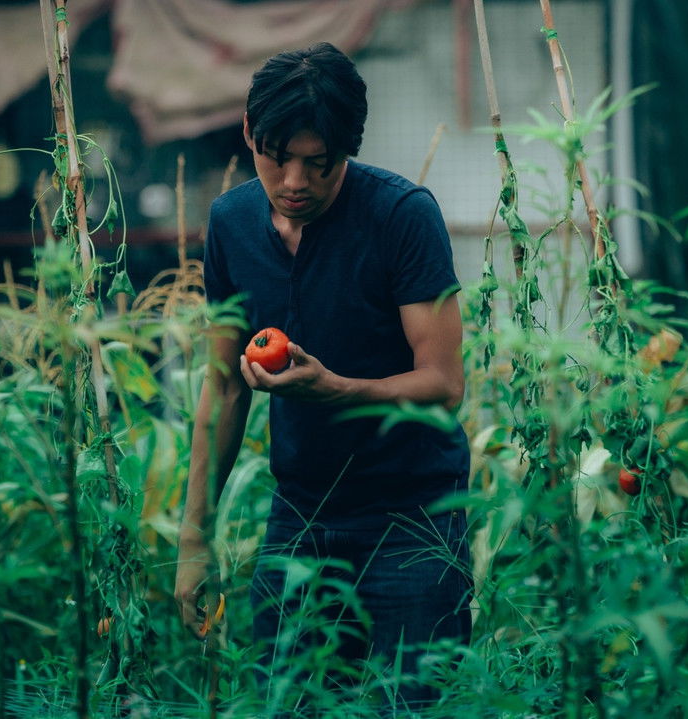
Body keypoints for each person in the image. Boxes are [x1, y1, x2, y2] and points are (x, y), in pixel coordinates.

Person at [174, 41, 471, 710]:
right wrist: (194, 535)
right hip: (301, 513)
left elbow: (444, 385)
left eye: (319, 163)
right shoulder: (230, 224)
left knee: (411, 702)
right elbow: (222, 384)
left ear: (349, 148)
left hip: (413, 517)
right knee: (286, 701)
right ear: (249, 132)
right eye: (276, 158)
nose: (294, 183)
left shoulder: (401, 216)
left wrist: (333, 387)